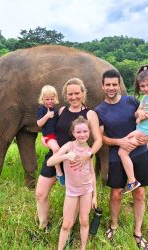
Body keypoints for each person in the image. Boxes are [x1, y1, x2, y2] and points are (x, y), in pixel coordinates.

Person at [95, 69, 148, 249]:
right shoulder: (99, 110)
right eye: (108, 85)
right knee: (115, 194)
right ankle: (114, 225)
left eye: (115, 84)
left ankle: (138, 231)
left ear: (119, 84)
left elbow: (146, 119)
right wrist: (119, 142)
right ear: (102, 86)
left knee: (140, 193)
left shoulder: (131, 101)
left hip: (139, 152)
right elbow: (101, 138)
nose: (111, 88)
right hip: (116, 156)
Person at [35, 78, 102, 232]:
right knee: (40, 193)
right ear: (66, 95)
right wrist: (44, 139)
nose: (73, 97)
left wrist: (89, 154)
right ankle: (43, 227)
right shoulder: (61, 110)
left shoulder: (90, 114)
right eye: (70, 94)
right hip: (58, 155)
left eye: (77, 93)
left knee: (76, 199)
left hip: (78, 160)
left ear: (83, 93)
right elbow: (49, 129)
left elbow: (98, 140)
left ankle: (70, 230)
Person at [47, 116, 97, 250]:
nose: (82, 134)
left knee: (84, 221)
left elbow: (92, 173)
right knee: (66, 224)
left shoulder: (89, 149)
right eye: (78, 132)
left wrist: (95, 196)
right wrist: (65, 156)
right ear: (73, 133)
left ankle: (83, 247)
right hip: (72, 191)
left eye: (85, 131)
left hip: (87, 190)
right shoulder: (69, 146)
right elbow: (50, 162)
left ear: (89, 132)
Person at [118, 65, 148, 194]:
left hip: (144, 131)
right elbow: (137, 112)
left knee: (122, 152)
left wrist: (146, 115)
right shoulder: (145, 97)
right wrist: (139, 114)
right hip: (141, 128)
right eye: (142, 86)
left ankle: (132, 181)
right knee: (125, 143)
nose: (146, 89)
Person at [37, 85, 64, 186]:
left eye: (52, 99)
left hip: (56, 135)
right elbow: (39, 123)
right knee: (56, 149)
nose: (50, 101)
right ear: (43, 99)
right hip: (49, 136)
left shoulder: (55, 109)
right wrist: (47, 116)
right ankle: (58, 171)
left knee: (61, 148)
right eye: (47, 99)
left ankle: (62, 167)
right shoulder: (42, 109)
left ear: (55, 98)